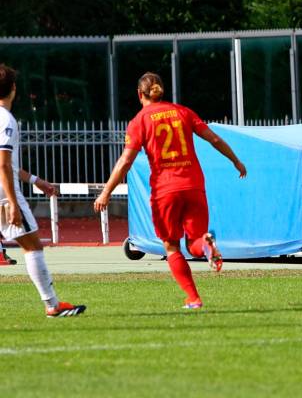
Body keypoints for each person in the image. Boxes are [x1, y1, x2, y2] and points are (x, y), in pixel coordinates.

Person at [94, 72, 246, 310]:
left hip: (165, 191)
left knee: (172, 246)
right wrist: (235, 160)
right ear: (162, 90)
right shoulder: (183, 112)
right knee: (195, 241)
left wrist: (106, 192)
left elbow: (125, 161)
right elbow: (214, 139)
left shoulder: (139, 121)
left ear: (139, 94)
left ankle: (194, 298)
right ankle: (207, 244)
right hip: (194, 185)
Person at [0, 64, 86, 317]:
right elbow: (3, 164)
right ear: (14, 88)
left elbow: (9, 164)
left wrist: (36, 180)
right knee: (33, 246)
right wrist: (13, 203)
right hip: (4, 194)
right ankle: (52, 305)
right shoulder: (6, 120)